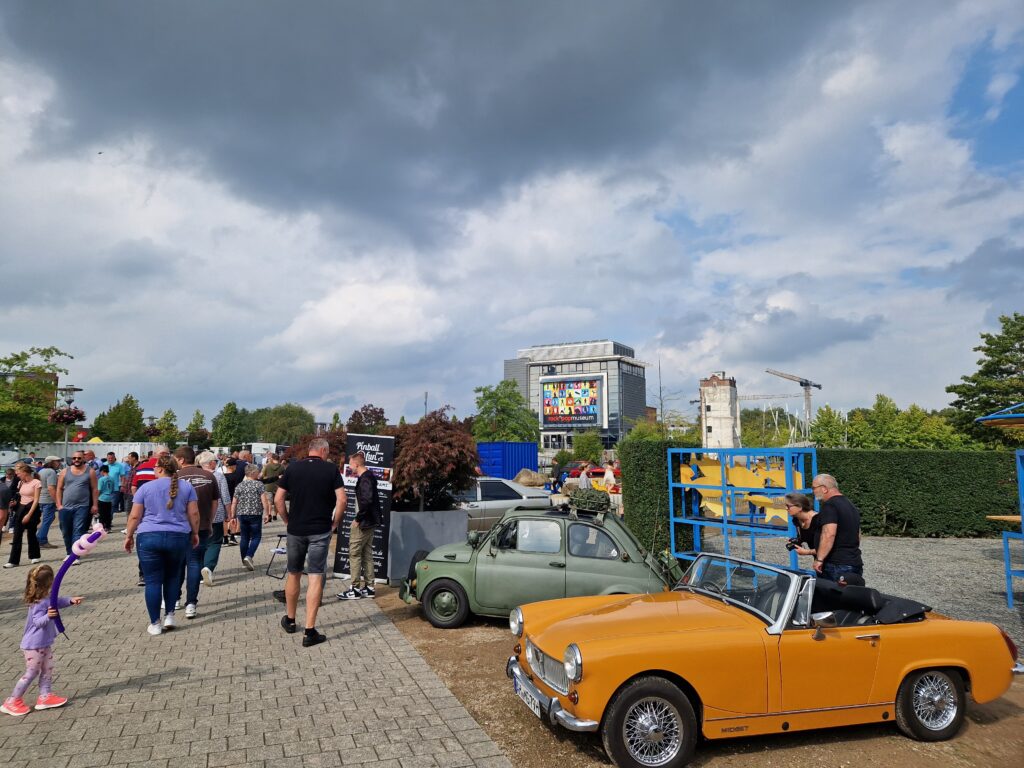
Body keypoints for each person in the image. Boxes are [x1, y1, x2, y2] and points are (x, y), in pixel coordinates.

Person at [274, 438, 346, 647]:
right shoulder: (331, 470)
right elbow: (342, 500)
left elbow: (278, 499)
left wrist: (286, 519)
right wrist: (335, 523)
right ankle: (309, 630)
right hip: (320, 530)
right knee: (315, 576)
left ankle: (290, 620)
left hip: (296, 530)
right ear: (323, 450)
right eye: (327, 452)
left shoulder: (293, 468)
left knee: (293, 573)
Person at [123, 455, 200, 636]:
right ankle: (170, 615)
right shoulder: (187, 487)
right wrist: (195, 533)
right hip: (178, 536)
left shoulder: (146, 488)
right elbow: (194, 513)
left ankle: (155, 623)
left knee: (153, 581)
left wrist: (128, 535)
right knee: (173, 577)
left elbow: (134, 516)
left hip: (149, 536)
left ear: (159, 469)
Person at [0, 565, 83, 716]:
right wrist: (48, 616)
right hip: (34, 645)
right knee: (31, 672)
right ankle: (12, 701)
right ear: (49, 582)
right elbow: (37, 621)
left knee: (48, 669)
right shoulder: (38, 602)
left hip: (44, 643)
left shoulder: (47, 597)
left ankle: (45, 696)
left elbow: (57, 601)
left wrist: (70, 600)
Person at [175, 448, 219, 619]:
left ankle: (175, 599)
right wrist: (209, 521)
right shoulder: (210, 476)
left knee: (177, 564)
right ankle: (191, 604)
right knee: (194, 564)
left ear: (180, 459)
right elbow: (215, 502)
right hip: (201, 526)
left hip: (179, 528)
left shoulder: (175, 477)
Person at [337, 451, 379, 601]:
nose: (350, 467)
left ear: (356, 464)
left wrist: (358, 518)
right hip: (369, 522)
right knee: (367, 554)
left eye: (350, 464)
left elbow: (367, 501)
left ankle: (354, 589)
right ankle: (369, 587)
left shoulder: (365, 479)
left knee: (354, 554)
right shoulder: (368, 477)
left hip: (363, 523)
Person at [810, 474, 863, 582]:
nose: (813, 491)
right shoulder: (850, 505)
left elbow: (828, 533)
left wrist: (819, 559)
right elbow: (858, 534)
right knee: (850, 597)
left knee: (832, 597)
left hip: (836, 565)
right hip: (853, 561)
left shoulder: (830, 505)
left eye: (814, 488)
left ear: (824, 488)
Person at [129, 445, 169, 586]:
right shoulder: (171, 469)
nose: (167, 456)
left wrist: (139, 503)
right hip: (167, 513)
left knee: (146, 544)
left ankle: (144, 574)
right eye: (166, 453)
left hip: (145, 514)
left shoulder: (140, 468)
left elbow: (133, 487)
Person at [55, 451, 97, 560]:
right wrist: (59, 504)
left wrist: (95, 505)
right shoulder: (65, 471)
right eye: (74, 458)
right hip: (65, 507)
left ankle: (75, 555)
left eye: (79, 458)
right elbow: (59, 489)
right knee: (65, 530)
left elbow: (94, 489)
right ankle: (69, 552)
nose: (76, 460)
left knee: (78, 530)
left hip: (82, 506)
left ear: (83, 458)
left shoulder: (90, 471)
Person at [201, 453, 231, 588]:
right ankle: (208, 567)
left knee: (200, 542)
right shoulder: (218, 476)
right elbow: (225, 496)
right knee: (215, 542)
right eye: (215, 461)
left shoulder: (197, 476)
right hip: (216, 514)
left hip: (198, 515)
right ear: (211, 463)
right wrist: (229, 514)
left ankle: (198, 570)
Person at [232, 464, 269, 572]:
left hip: (242, 514)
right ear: (253, 473)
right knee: (256, 537)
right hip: (255, 514)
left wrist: (232, 516)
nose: (259, 474)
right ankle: (249, 555)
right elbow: (264, 500)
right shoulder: (259, 484)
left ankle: (244, 560)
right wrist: (267, 513)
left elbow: (234, 502)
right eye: (258, 472)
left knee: (244, 537)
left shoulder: (240, 485)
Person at [5, 463, 41, 569]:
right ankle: (13, 561)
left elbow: (36, 500)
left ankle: (34, 556)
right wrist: (15, 503)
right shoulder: (20, 483)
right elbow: (20, 496)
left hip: (32, 510)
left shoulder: (36, 483)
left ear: (25, 472)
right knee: (17, 535)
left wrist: (29, 515)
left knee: (31, 533)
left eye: (18, 473)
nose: (17, 475)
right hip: (21, 509)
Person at [784, 492, 820, 558]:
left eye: (788, 506)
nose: (786, 508)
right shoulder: (796, 520)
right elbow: (804, 537)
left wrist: (807, 552)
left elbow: (828, 547)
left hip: (834, 560)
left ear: (800, 507)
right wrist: (796, 541)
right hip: (818, 559)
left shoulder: (818, 520)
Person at [35, 457, 61, 550]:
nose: (59, 463)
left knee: (49, 518)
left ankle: (41, 538)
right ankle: (41, 540)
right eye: (57, 461)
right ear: (51, 462)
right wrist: (57, 501)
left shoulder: (41, 471)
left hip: (41, 499)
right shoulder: (51, 472)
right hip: (48, 500)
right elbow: (51, 488)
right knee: (47, 519)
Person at [260, 454, 284, 521]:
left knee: (269, 502)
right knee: (276, 501)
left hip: (268, 485)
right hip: (278, 486)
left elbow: (263, 475)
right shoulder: (282, 467)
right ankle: (275, 515)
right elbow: (284, 476)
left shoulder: (267, 466)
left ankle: (269, 514)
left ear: (272, 458)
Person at [96, 466, 116, 533]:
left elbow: (99, 490)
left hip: (102, 498)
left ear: (102, 471)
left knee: (101, 514)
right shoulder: (112, 479)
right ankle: (108, 527)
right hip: (109, 498)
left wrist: (96, 498)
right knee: (108, 513)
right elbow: (113, 489)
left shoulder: (101, 479)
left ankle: (102, 527)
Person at [104, 452, 125, 517]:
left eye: (112, 458)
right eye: (109, 458)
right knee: (104, 505)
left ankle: (109, 521)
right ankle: (104, 520)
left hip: (115, 489)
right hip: (104, 489)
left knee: (113, 505)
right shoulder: (104, 465)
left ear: (114, 458)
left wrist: (122, 485)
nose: (110, 459)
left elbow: (122, 476)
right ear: (107, 458)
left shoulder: (119, 466)